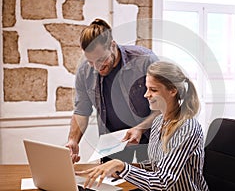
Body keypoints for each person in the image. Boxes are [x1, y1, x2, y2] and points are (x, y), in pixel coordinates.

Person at [76, 61, 209, 191]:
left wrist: (121, 166)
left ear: (172, 91)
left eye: (153, 90)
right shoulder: (158, 121)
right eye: (147, 88)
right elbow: (156, 167)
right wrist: (118, 168)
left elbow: (163, 182)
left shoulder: (186, 127)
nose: (146, 95)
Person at [65, 18, 159, 163]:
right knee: (111, 183)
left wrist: (140, 129)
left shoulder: (144, 60)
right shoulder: (84, 71)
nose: (97, 67)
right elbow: (81, 111)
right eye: (91, 62)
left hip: (149, 139)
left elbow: (164, 107)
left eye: (102, 59)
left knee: (149, 182)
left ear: (113, 45)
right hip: (112, 143)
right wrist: (73, 141)